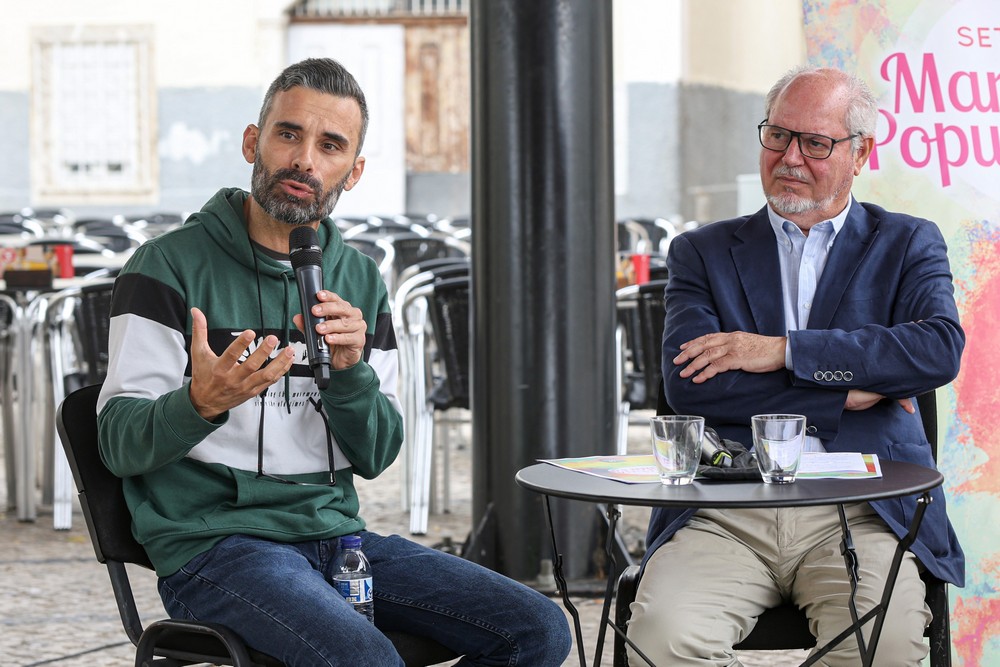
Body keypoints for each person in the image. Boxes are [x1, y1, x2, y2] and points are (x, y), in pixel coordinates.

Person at [97, 58, 571, 667]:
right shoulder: (166, 265)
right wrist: (200, 404)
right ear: (253, 142)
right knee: (367, 660)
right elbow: (115, 443)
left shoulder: (358, 279)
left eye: (330, 145)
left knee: (538, 630)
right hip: (217, 550)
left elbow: (377, 455)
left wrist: (351, 372)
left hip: (338, 540)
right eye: (288, 134)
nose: (305, 160)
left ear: (354, 169)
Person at [626, 66, 965, 666]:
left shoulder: (908, 242)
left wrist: (781, 351)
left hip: (863, 511)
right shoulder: (702, 252)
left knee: (882, 649)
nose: (789, 157)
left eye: (815, 142)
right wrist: (846, 393)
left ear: (861, 154)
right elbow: (691, 386)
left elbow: (936, 349)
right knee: (663, 640)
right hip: (727, 510)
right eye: (777, 135)